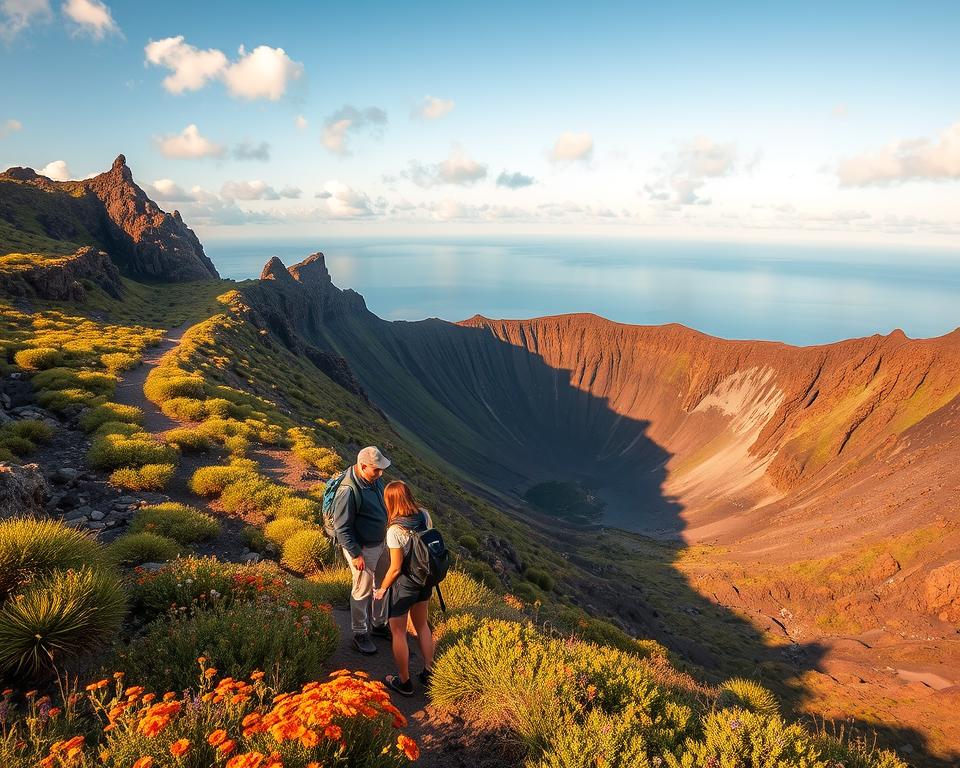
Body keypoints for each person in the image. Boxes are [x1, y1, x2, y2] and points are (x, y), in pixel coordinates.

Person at [373, 480, 435, 696]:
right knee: (422, 626)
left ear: (389, 501)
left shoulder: (394, 530)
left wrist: (381, 590)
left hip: (406, 586)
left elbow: (396, 568)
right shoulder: (424, 515)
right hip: (425, 581)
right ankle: (429, 672)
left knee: (398, 631)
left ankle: (404, 682)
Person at [331, 446, 392, 655]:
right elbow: (342, 527)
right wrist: (356, 554)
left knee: (383, 584)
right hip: (363, 549)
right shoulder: (348, 491)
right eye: (376, 470)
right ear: (363, 466)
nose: (380, 473)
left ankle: (379, 624)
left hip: (380, 543)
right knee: (362, 590)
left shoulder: (373, 480)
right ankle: (359, 633)